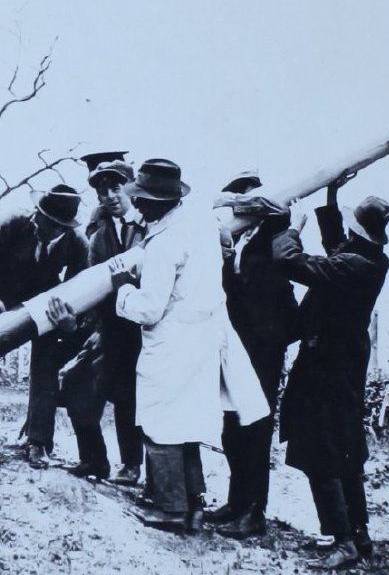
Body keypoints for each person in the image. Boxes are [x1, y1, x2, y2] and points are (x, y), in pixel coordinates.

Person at [109, 159, 269, 533]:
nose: (139, 206)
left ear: (159, 202)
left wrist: (123, 289)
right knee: (185, 423)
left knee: (159, 423)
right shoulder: (198, 225)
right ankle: (193, 505)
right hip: (201, 338)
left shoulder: (166, 243)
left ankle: (170, 508)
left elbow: (148, 309)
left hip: (171, 341)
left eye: (144, 200)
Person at [271, 177, 389, 569]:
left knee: (320, 451)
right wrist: (332, 193)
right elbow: (337, 242)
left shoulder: (353, 266)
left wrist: (292, 229)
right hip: (343, 366)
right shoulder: (369, 257)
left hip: (327, 368)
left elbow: (292, 261)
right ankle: (359, 533)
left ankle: (342, 539)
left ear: (358, 229)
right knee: (344, 449)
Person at [0, 186, 89, 469]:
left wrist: (68, 319)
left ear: (64, 227)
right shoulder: (13, 221)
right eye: (41, 216)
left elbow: (79, 288)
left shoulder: (77, 245)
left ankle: (38, 441)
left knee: (46, 360)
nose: (41, 225)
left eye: (52, 224)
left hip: (40, 297)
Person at [210, 177, 298, 538]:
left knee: (257, 428)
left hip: (265, 343)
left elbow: (275, 208)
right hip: (237, 342)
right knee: (232, 427)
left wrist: (236, 199)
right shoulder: (237, 240)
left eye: (246, 201)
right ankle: (236, 501)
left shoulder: (276, 228)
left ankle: (254, 511)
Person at [61, 159, 145, 484]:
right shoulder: (100, 237)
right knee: (76, 381)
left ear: (131, 187)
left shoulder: (150, 227)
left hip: (144, 326)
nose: (109, 196)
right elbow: (91, 284)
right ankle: (94, 460)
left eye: (116, 187)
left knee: (130, 396)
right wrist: (80, 324)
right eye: (102, 190)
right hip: (110, 326)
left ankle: (132, 465)